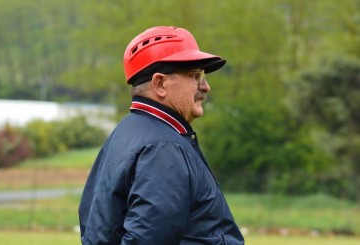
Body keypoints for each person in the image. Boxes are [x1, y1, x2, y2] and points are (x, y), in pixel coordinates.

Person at [78, 26, 245, 245]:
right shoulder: (163, 147)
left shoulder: (128, 132)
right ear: (160, 84)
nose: (205, 87)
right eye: (195, 76)